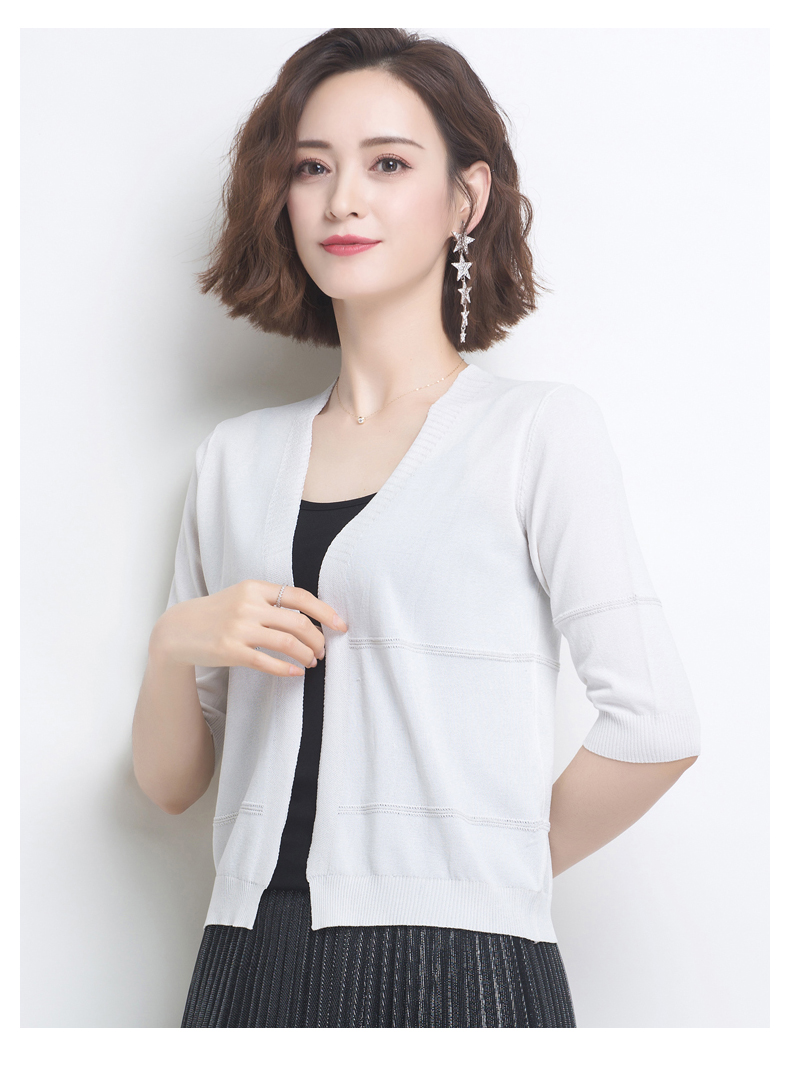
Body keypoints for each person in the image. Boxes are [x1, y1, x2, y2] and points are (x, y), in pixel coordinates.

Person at [132, 27, 701, 1028]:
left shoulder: (535, 433)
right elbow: (173, 784)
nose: (342, 200)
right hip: (243, 954)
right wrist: (174, 643)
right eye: (312, 167)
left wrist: (482, 865)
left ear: (466, 198)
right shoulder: (234, 458)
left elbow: (656, 724)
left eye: (388, 164)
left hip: (460, 961)